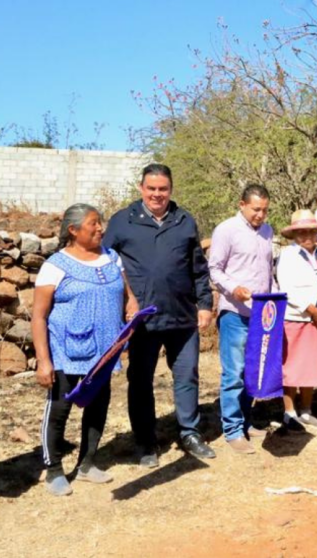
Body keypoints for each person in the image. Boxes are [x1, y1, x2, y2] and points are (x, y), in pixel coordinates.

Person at [103, 163, 215, 466]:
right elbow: (105, 262)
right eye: (151, 188)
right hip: (143, 321)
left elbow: (198, 268)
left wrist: (204, 304)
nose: (157, 194)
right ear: (141, 188)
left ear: (171, 190)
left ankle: (190, 432)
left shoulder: (184, 220)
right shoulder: (122, 221)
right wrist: (124, 300)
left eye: (162, 189)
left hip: (182, 317)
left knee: (187, 375)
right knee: (140, 380)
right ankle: (145, 441)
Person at [32, 204, 125, 495]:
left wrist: (132, 305)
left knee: (98, 407)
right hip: (66, 351)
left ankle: (87, 463)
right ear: (73, 230)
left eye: (100, 223)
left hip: (104, 352)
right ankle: (54, 470)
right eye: (93, 224)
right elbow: (39, 316)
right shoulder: (55, 266)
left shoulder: (111, 257)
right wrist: (43, 361)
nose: (101, 228)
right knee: (59, 410)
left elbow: (125, 291)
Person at [208, 184, 276, 455]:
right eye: (256, 209)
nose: (261, 215)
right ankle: (233, 429)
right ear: (242, 205)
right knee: (233, 373)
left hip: (261, 314)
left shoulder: (267, 232)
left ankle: (247, 422)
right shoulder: (226, 230)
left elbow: (267, 271)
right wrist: (233, 288)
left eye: (265, 210)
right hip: (235, 313)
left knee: (252, 372)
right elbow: (214, 269)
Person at [275, 210, 317, 432]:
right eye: (301, 232)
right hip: (296, 318)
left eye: (310, 231)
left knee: (312, 365)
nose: (306, 236)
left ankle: (307, 411)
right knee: (291, 366)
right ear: (294, 235)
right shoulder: (288, 256)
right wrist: (311, 310)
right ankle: (289, 413)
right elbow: (287, 288)